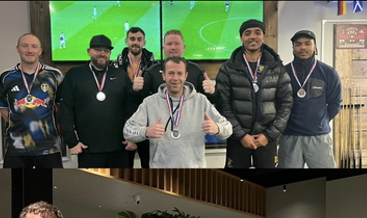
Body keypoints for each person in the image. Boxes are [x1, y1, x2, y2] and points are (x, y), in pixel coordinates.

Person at [124, 57, 231, 167]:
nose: (175, 78)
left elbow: (228, 128)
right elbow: (127, 131)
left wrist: (218, 129)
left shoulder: (201, 101)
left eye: (180, 73)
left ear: (186, 76)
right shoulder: (150, 103)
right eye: (170, 73)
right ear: (163, 75)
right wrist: (145, 132)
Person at [216, 19, 293, 168]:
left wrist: (269, 135)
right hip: (238, 139)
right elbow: (223, 105)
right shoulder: (227, 69)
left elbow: (286, 103)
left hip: (266, 139)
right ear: (241, 38)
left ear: (263, 36)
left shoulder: (276, 67)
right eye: (247, 33)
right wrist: (241, 135)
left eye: (257, 32)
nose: (252, 37)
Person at [59, 35, 136, 168]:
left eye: (106, 51)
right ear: (89, 51)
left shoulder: (120, 75)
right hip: (87, 149)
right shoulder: (74, 75)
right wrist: (71, 141)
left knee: (121, 185)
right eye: (98, 49)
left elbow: (131, 108)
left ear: (110, 53)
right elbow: (66, 109)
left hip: (119, 148)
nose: (102, 53)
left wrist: (134, 138)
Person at [0, 33, 64, 168]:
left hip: (49, 147)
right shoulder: (6, 77)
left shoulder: (55, 76)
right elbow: (3, 108)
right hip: (16, 147)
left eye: (34, 46)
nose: (29, 50)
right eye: (25, 46)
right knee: (15, 186)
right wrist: (21, 123)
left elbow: (62, 107)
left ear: (40, 51)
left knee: (51, 185)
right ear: (18, 49)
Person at [279, 30, 342, 168]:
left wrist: (320, 121)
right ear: (293, 48)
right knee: (288, 184)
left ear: (315, 47)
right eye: (298, 44)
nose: (303, 47)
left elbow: (335, 104)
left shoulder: (328, 72)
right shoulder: (283, 73)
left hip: (318, 136)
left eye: (308, 44)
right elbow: (277, 104)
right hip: (289, 136)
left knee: (326, 180)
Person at [113, 27, 157, 168]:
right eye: (132, 39)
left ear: (144, 42)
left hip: (149, 125)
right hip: (125, 124)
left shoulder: (154, 66)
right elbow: (116, 98)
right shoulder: (115, 66)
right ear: (126, 41)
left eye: (139, 39)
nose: (135, 42)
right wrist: (129, 132)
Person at [132, 30, 216, 102]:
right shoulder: (152, 71)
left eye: (177, 44)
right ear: (163, 48)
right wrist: (135, 91)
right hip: (160, 119)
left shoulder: (196, 70)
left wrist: (212, 93)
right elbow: (138, 101)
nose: (173, 47)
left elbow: (211, 101)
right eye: (169, 44)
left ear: (184, 47)